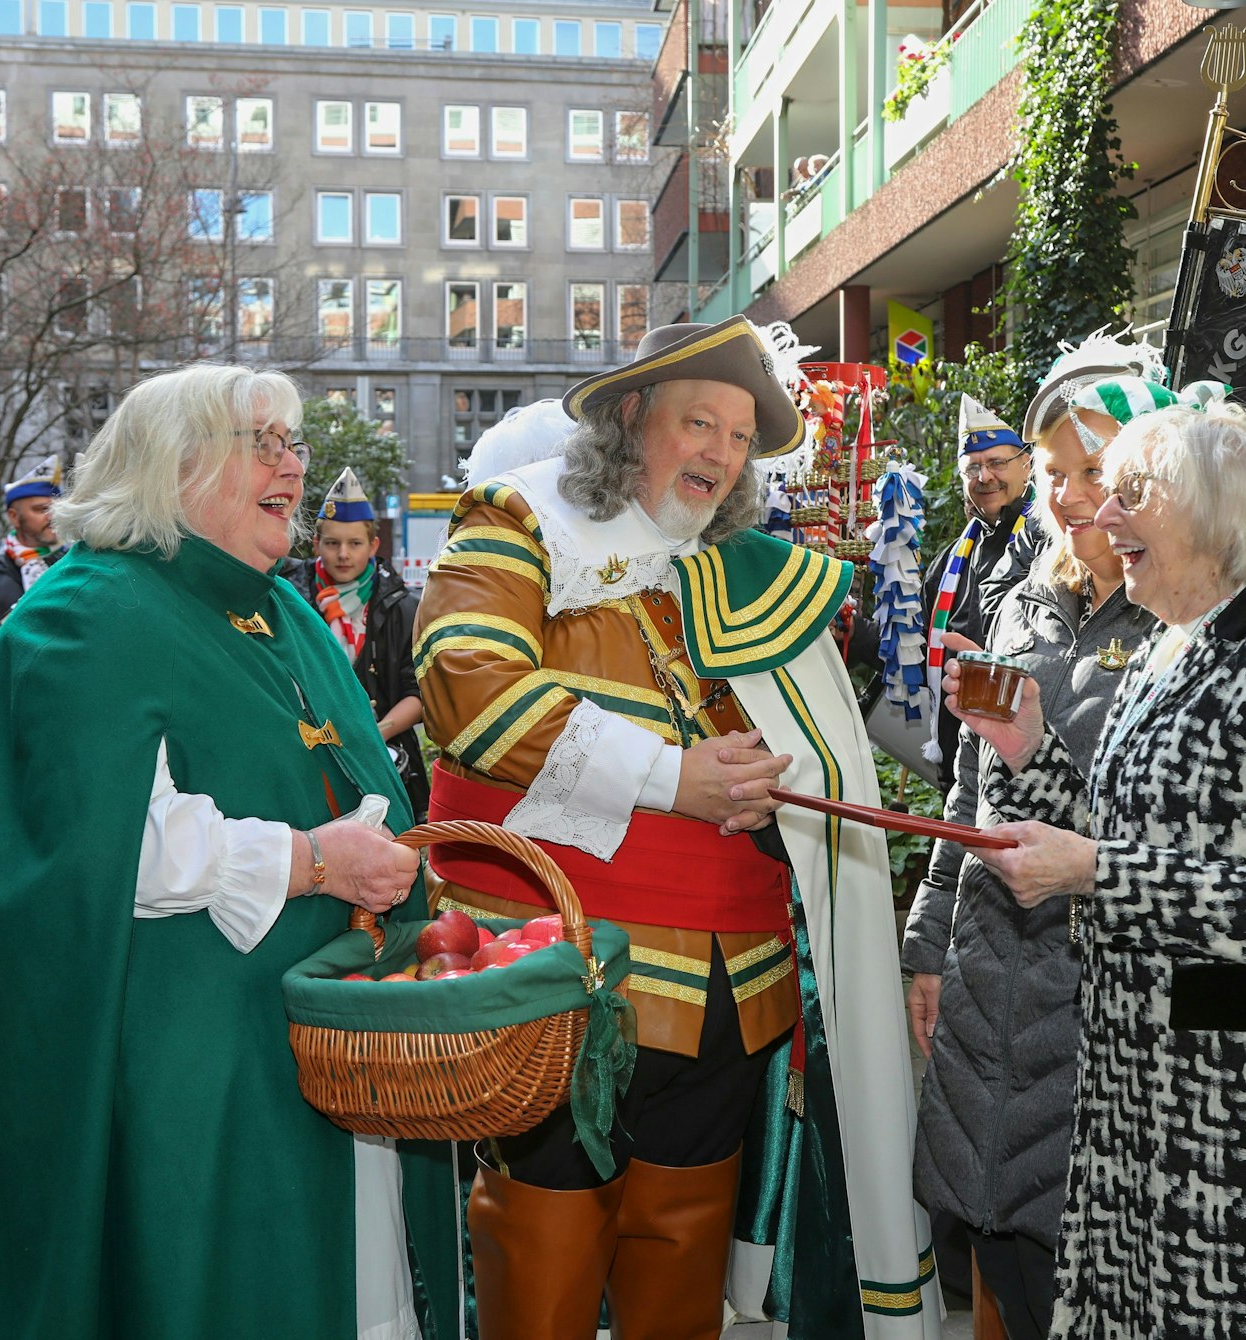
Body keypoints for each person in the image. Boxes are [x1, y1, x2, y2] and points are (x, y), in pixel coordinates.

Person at [0, 364, 449, 1339]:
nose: (291, 467)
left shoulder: (280, 608)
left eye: (291, 442)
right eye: (257, 441)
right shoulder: (82, 612)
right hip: (185, 1059)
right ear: (169, 465)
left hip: (328, 1035)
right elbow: (107, 842)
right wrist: (311, 861)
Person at [416, 314, 941, 1338]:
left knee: (681, 1248)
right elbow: (466, 689)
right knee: (546, 1243)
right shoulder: (517, 520)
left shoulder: (742, 569)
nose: (719, 454)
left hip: (730, 984)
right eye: (697, 423)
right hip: (567, 973)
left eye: (739, 437)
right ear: (627, 417)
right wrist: (671, 777)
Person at [955, 392, 1246, 1339]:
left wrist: (1096, 875)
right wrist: (1031, 751)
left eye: (1131, 495)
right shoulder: (1173, 644)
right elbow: (1134, 832)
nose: (1100, 518)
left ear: (1221, 508)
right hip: (1144, 1080)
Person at [902, 354, 1161, 1340]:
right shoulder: (1017, 601)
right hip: (984, 977)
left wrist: (1032, 740)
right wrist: (928, 946)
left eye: (1091, 472)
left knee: (1076, 1264)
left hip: (1087, 987)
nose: (1067, 496)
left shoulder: (1175, 618)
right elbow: (967, 792)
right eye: (1054, 474)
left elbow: (1155, 823)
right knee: (993, 1248)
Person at [284, 467, 428, 817]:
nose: (343, 554)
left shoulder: (403, 606)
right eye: (332, 543)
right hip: (305, 759)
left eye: (355, 543)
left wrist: (373, 736)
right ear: (316, 544)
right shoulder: (288, 595)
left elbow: (419, 690)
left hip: (384, 755)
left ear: (374, 545)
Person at [918, 396, 1037, 779]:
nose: (984, 477)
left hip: (1030, 753)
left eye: (997, 463)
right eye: (973, 468)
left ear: (1027, 465)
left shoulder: (1052, 544)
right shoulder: (950, 560)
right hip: (959, 758)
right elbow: (922, 649)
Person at [0, 455, 65, 613]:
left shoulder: (73, 569)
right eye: (41, 509)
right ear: (14, 517)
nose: (52, 516)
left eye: (58, 508)